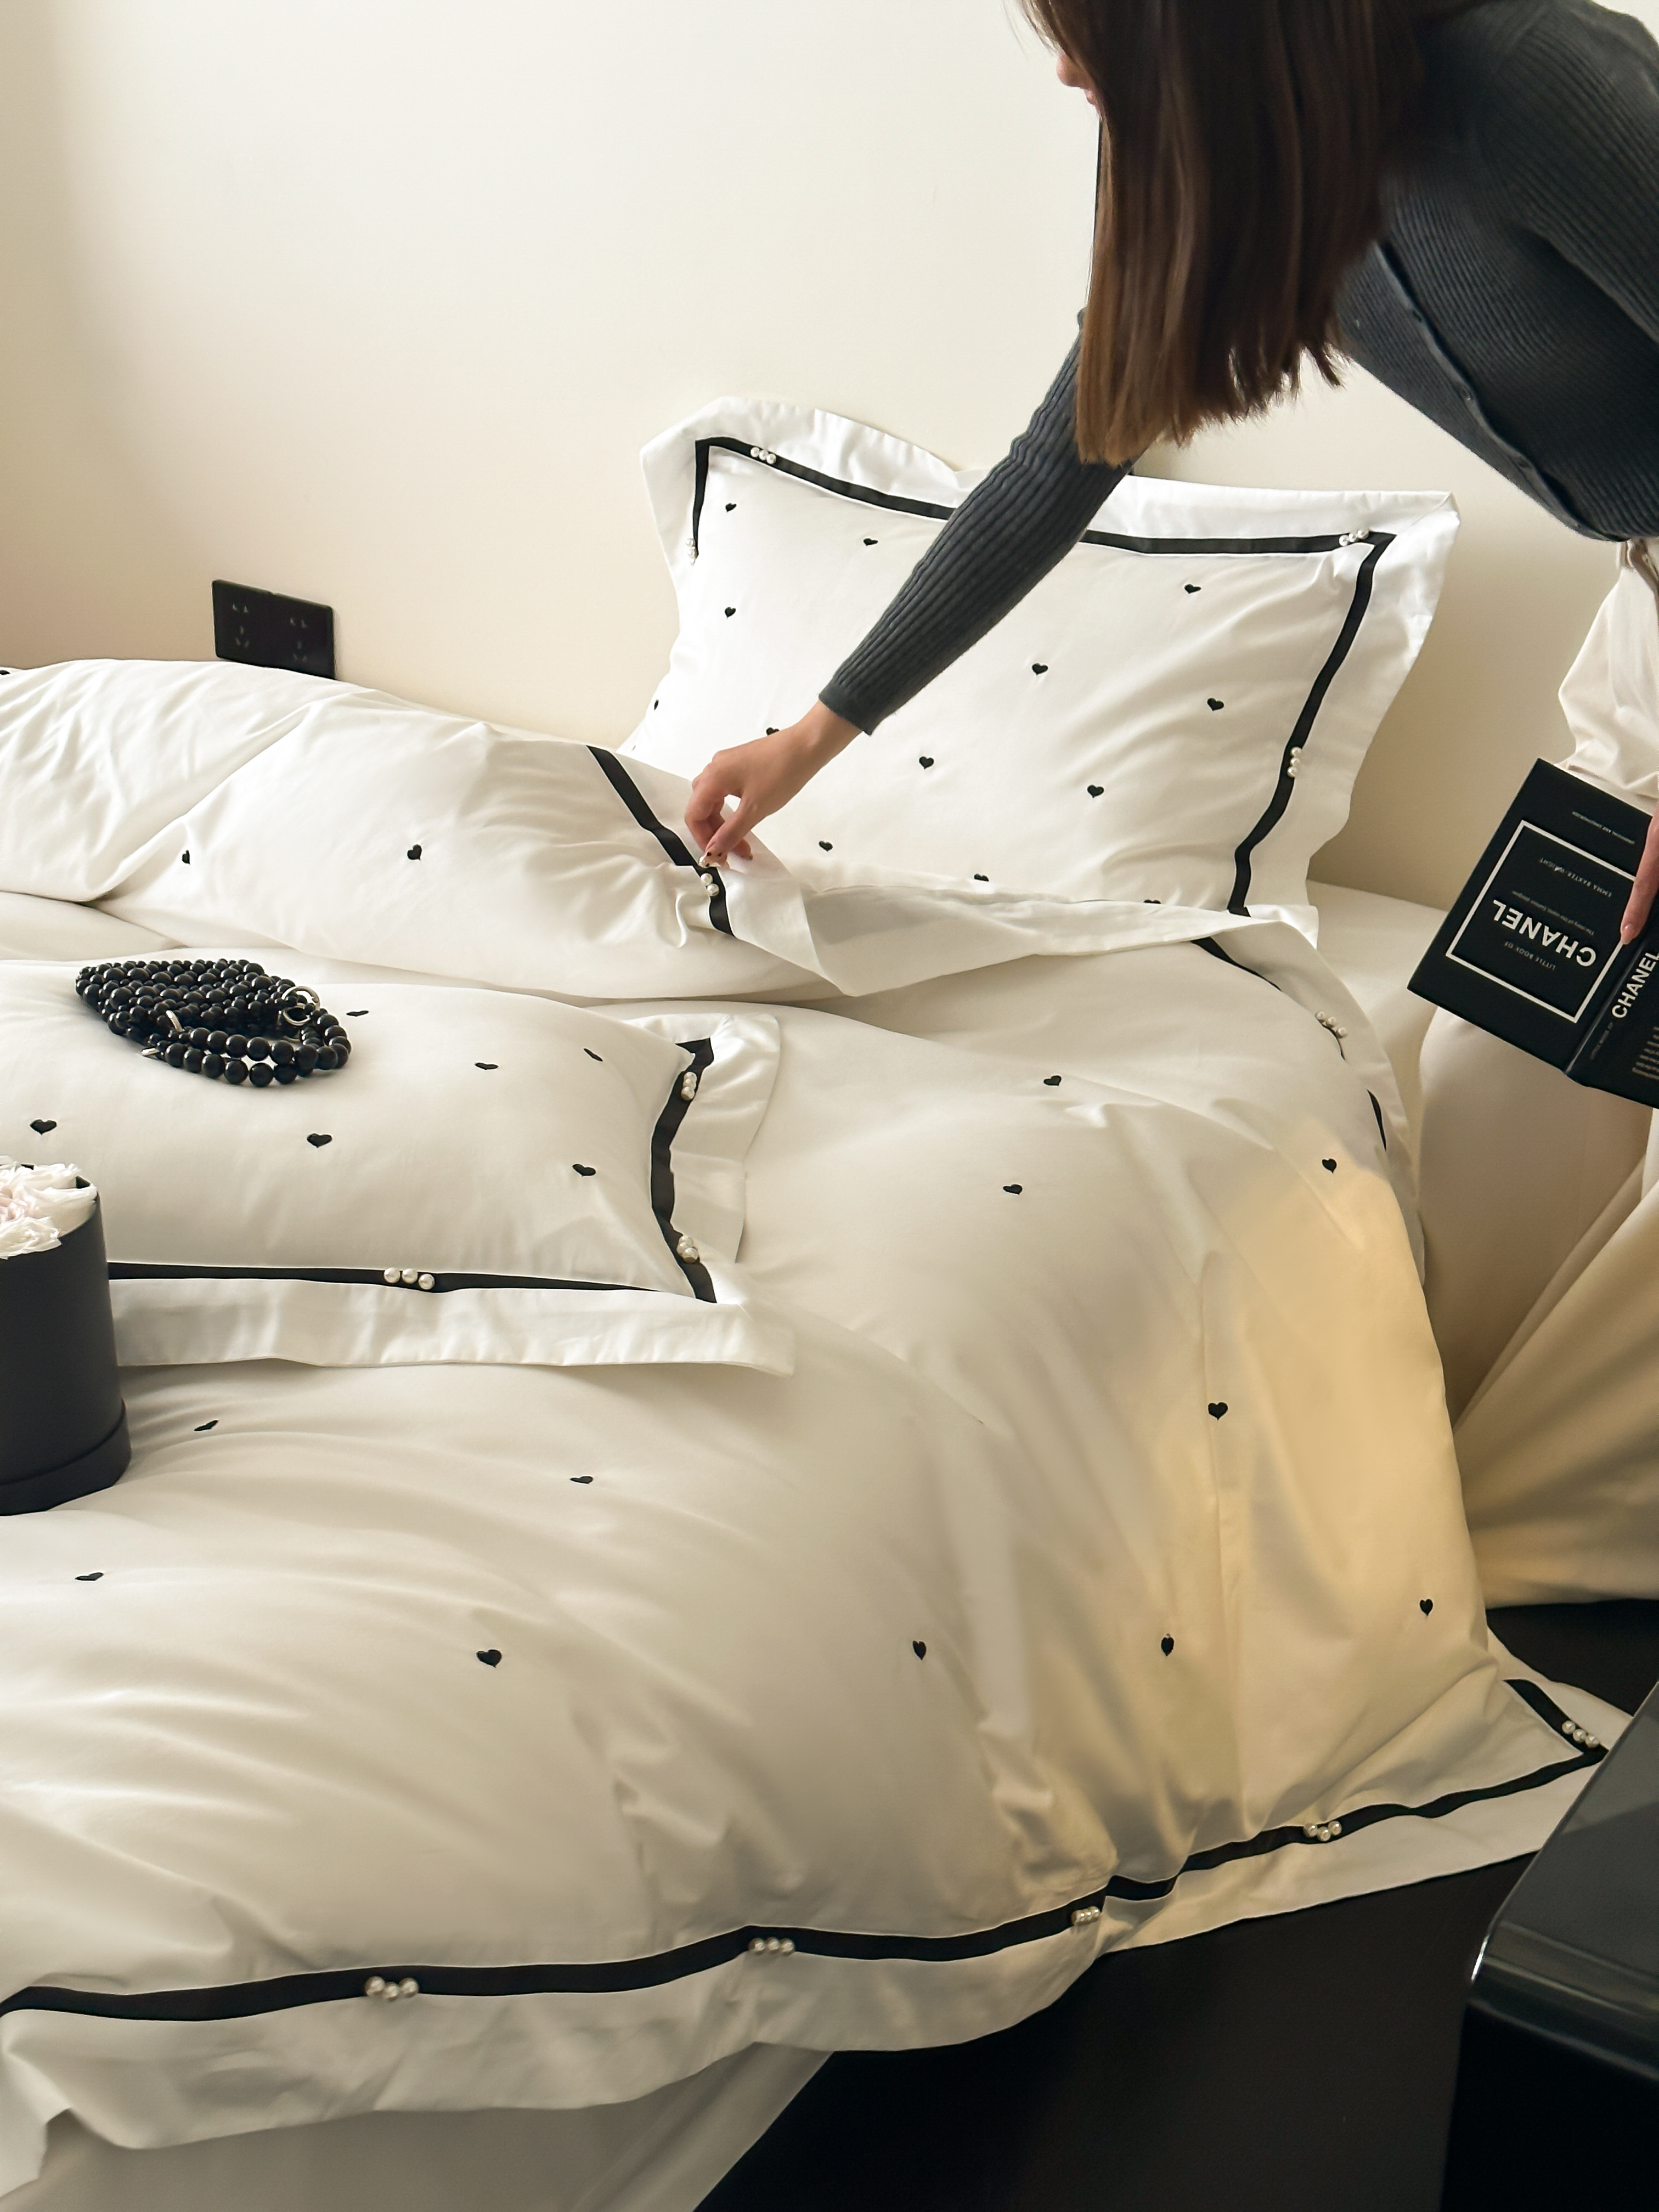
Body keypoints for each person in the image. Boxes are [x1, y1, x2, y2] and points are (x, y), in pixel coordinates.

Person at [688, 0, 1659, 940]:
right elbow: (1056, 471)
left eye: (1091, 27)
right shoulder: (1220, 161)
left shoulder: (1525, 79)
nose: (1065, 69)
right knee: (1501, 1039)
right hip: (1646, 610)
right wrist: (812, 737)